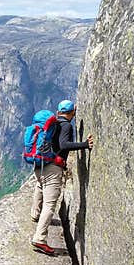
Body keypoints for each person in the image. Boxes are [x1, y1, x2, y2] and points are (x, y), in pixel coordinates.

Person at [30, 100, 94, 256]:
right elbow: (64, 145)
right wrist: (85, 144)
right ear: (72, 113)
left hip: (41, 164)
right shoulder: (66, 125)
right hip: (53, 168)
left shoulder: (53, 124)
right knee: (50, 204)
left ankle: (35, 214)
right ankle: (40, 239)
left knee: (40, 186)